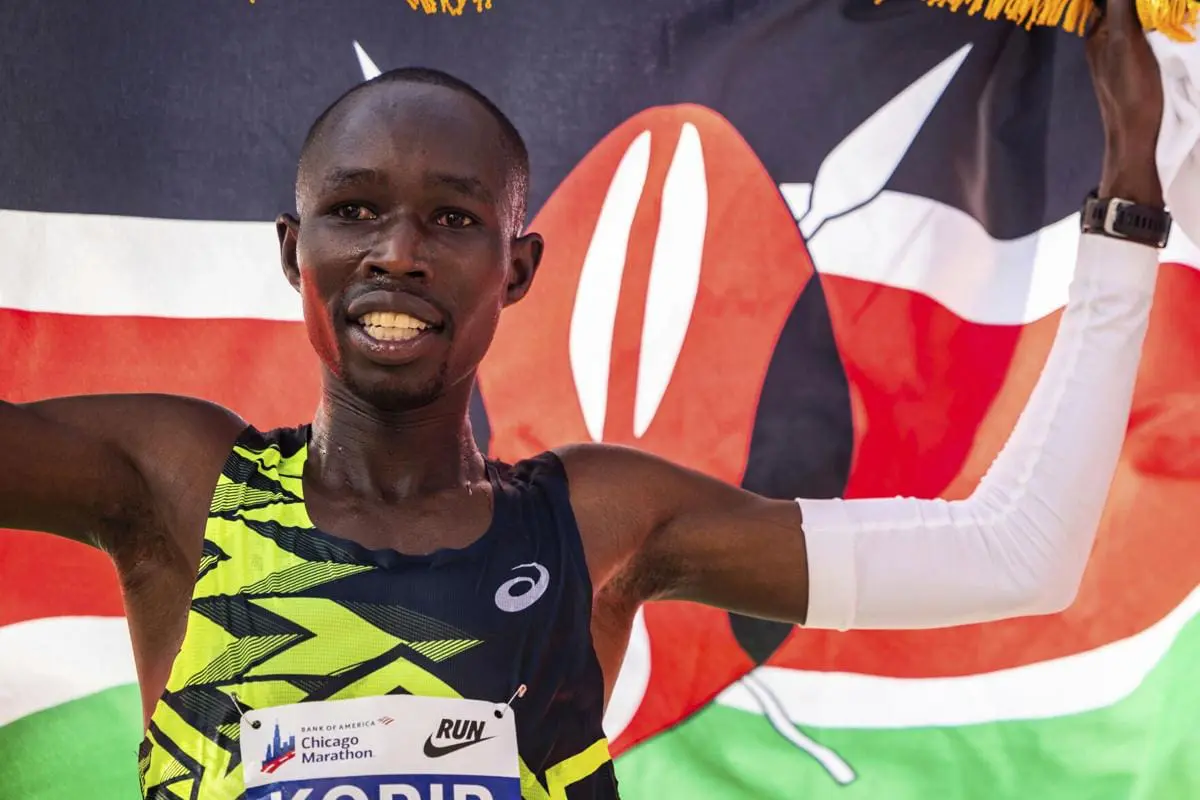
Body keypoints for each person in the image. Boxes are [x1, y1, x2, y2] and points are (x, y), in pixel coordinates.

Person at [0, 1, 1174, 797]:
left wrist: (1128, 199)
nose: (398, 252)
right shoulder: (180, 486)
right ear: (291, 248)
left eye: (453, 218)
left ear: (517, 267)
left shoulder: (594, 524)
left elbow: (1018, 554)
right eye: (354, 210)